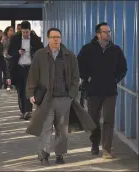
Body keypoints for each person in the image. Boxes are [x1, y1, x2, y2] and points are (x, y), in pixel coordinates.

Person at [26, 28, 80, 165]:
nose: (56, 40)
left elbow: (75, 77)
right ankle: (43, 154)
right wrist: (31, 93)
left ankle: (60, 154)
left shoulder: (69, 56)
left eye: (58, 37)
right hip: (46, 98)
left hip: (64, 98)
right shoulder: (40, 55)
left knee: (62, 130)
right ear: (48, 38)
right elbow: (33, 75)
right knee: (46, 128)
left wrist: (71, 95)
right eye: (53, 37)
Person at [77, 22, 127, 159]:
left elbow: (123, 68)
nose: (108, 34)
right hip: (93, 91)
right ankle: (94, 143)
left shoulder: (116, 50)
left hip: (110, 91)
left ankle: (107, 149)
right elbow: (79, 65)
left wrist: (114, 79)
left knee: (109, 120)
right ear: (98, 34)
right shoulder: (87, 49)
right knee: (93, 119)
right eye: (105, 32)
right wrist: (87, 78)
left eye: (109, 31)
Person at [8, 21, 43, 120]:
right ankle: (23, 110)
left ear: (30, 30)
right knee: (20, 90)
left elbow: (41, 51)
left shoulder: (36, 39)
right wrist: (17, 52)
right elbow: (10, 52)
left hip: (31, 68)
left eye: (27, 32)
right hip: (19, 67)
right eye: (23, 32)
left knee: (29, 89)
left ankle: (28, 111)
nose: (25, 34)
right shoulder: (15, 39)